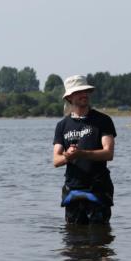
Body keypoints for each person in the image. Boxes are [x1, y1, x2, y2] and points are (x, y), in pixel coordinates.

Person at [53, 75, 117, 224]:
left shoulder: (103, 120)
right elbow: (56, 160)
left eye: (86, 91)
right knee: (72, 241)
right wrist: (68, 156)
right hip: (72, 190)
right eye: (79, 92)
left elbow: (109, 153)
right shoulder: (62, 125)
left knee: (100, 241)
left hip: (98, 188)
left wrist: (81, 153)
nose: (84, 95)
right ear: (69, 97)